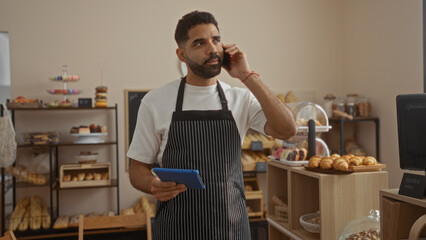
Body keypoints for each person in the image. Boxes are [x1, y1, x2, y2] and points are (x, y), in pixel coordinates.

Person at [128, 10, 297, 240]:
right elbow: (137, 168)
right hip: (176, 231)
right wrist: (153, 184)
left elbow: (288, 129)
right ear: (181, 54)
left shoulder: (241, 99)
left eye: (216, 40)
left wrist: (247, 76)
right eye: (199, 43)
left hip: (231, 229)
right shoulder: (155, 101)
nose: (212, 49)